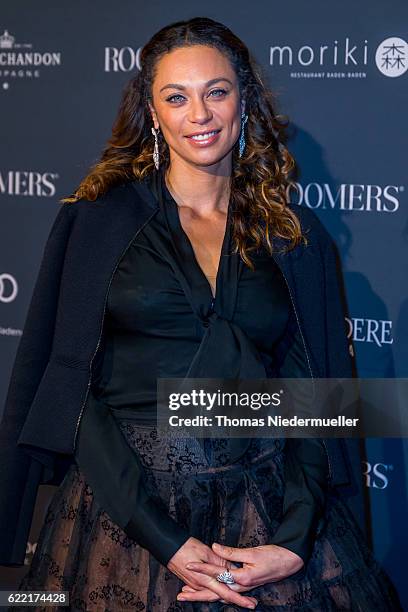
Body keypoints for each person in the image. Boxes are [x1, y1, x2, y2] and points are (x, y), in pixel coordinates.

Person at [0, 16, 402, 612]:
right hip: (128, 518)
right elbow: (72, 391)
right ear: (153, 112)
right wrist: (168, 541)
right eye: (176, 97)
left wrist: (292, 542)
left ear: (245, 100)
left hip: (270, 516)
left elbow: (316, 396)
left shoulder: (294, 236)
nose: (200, 114)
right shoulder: (95, 223)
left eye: (216, 91)